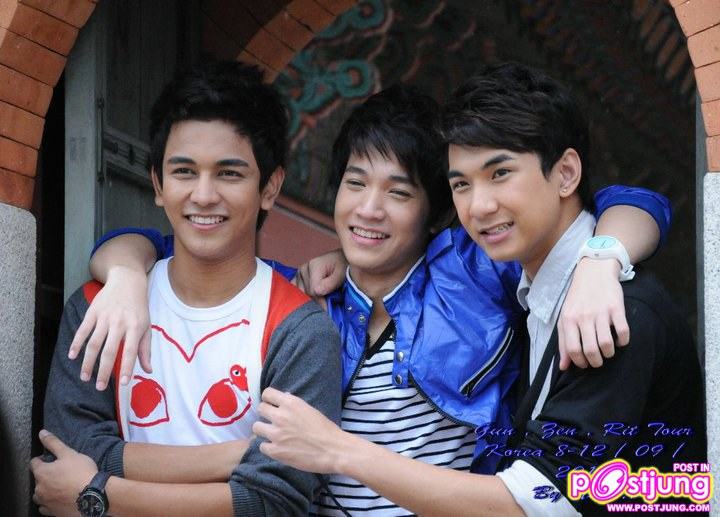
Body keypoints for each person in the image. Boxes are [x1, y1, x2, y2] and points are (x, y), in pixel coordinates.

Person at [73, 80, 671, 515]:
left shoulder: (474, 274)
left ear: (436, 213)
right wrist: (126, 275)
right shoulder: (304, 299)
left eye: (398, 192)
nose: (369, 209)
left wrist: (600, 258)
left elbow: (625, 203)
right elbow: (182, 246)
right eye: (355, 184)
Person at [250, 63, 705, 516]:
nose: (479, 206)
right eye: (462, 185)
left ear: (566, 173)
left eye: (500, 173)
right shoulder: (536, 295)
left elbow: (539, 501)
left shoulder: (609, 311)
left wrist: (337, 450)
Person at [30, 60, 341, 517]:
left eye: (229, 173)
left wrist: (97, 492)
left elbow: (273, 501)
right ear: (157, 183)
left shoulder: (299, 331)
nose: (204, 195)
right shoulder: (100, 307)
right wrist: (239, 455)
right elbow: (69, 447)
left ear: (270, 187)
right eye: (184, 172)